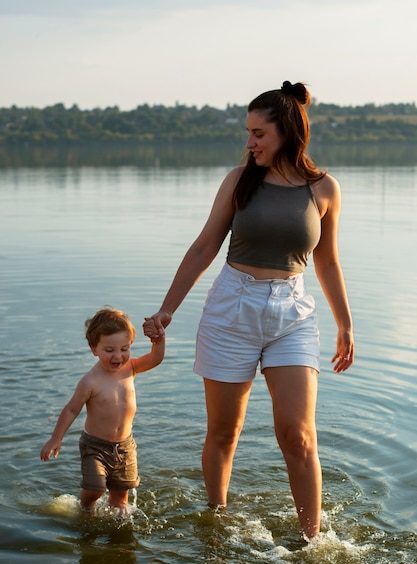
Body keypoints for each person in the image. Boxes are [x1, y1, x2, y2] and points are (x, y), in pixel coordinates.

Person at [143, 81, 354, 540]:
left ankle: (311, 542)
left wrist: (345, 324)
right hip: (231, 309)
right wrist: (166, 311)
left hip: (293, 314)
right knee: (224, 432)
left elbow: (328, 261)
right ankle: (217, 522)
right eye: (248, 131)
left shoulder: (323, 188)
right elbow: (204, 248)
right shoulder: (239, 181)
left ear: (288, 132)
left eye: (258, 133)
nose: (249, 142)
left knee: (297, 436)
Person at [41, 307, 165, 513]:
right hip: (95, 447)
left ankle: (116, 523)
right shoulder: (90, 381)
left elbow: (155, 359)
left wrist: (158, 341)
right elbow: (71, 410)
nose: (118, 356)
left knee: (120, 497)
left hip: (125, 447)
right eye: (109, 350)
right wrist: (56, 438)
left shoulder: (131, 368)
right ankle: (86, 509)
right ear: (94, 348)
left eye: (124, 348)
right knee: (95, 489)